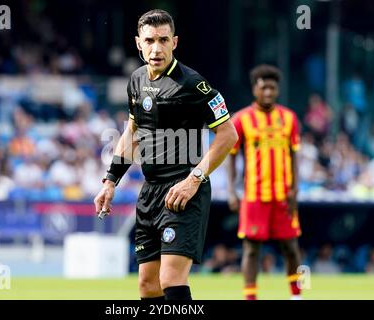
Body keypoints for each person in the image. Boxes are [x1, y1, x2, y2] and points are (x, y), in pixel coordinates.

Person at [94, 9, 238, 301]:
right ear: (138, 43)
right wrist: (110, 182)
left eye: (163, 40)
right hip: (150, 193)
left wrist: (194, 179)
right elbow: (132, 132)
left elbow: (228, 135)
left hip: (184, 191)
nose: (156, 48)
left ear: (175, 42)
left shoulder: (193, 84)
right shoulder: (135, 80)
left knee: (171, 279)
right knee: (148, 286)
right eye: (149, 40)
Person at [227, 65, 302, 300]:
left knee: (291, 248)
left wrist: (295, 188)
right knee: (251, 250)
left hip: (283, 195)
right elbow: (231, 157)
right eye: (264, 87)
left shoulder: (289, 119)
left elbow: (294, 155)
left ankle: (296, 296)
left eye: (273, 87)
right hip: (254, 195)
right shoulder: (240, 120)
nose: (269, 92)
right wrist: (231, 191)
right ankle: (251, 298)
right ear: (255, 89)